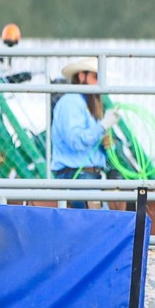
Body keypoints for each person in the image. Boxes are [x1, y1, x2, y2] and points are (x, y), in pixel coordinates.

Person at [50, 57, 122, 209]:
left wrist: (108, 145)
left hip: (88, 177)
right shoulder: (72, 101)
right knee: (97, 223)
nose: (99, 84)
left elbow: (91, 143)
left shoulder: (86, 104)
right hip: (76, 177)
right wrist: (103, 126)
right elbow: (76, 141)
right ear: (81, 76)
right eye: (95, 77)